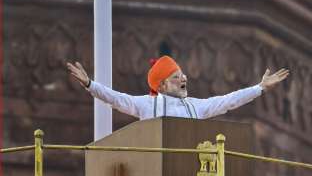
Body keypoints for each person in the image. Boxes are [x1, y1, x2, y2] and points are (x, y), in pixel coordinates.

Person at [67, 56, 289, 120]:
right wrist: (90, 84)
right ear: (162, 84)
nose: (184, 78)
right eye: (176, 76)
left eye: (182, 75)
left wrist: (260, 88)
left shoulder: (195, 107)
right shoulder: (146, 105)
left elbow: (228, 100)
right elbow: (115, 99)